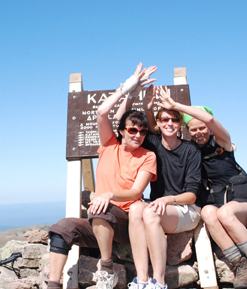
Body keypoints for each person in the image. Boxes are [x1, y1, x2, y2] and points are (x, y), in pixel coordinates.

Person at [47, 63, 158, 289]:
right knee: (62, 228)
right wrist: (127, 88)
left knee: (100, 208)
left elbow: (137, 192)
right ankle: (53, 284)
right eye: (132, 130)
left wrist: (108, 194)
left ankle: (106, 269)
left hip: (127, 222)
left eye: (143, 131)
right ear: (122, 131)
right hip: (100, 222)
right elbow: (101, 112)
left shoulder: (148, 156)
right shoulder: (108, 145)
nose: (138, 135)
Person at [156, 86, 247, 289]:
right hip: (216, 205)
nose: (198, 132)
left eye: (202, 127)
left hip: (240, 204)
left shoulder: (223, 142)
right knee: (208, 214)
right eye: (193, 129)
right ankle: (240, 265)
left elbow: (211, 120)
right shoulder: (191, 151)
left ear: (209, 128)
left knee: (225, 214)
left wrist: (176, 105)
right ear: (188, 131)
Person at [114, 84, 202, 289]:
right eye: (164, 119)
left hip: (185, 209)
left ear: (180, 125)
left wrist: (167, 199)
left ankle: (159, 282)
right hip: (159, 206)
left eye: (174, 119)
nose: (169, 123)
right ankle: (142, 280)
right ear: (159, 123)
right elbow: (131, 122)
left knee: (150, 213)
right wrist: (146, 103)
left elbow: (192, 196)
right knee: (136, 208)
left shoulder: (191, 151)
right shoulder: (152, 144)